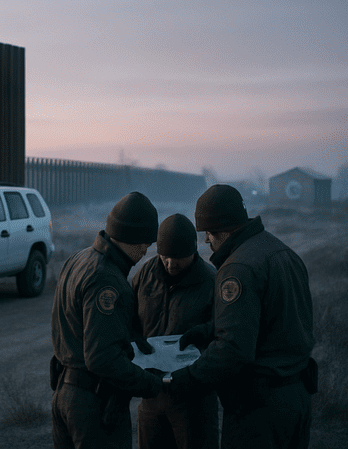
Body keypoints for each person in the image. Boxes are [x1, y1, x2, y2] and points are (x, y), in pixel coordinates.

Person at [168, 184, 315, 449]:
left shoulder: (237, 267)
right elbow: (274, 320)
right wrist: (210, 330)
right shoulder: (283, 252)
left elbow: (233, 350)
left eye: (209, 233)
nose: (206, 242)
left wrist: (186, 378)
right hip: (298, 398)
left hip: (259, 410)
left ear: (222, 229)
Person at [50, 191, 163, 449]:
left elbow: (74, 326)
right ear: (131, 237)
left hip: (63, 396)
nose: (147, 249)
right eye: (145, 241)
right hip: (94, 406)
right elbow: (102, 358)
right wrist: (152, 384)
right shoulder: (107, 279)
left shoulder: (77, 260)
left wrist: (130, 337)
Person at [130, 213, 219, 449]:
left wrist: (208, 330)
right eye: (165, 256)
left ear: (193, 251)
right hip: (151, 396)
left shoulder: (212, 282)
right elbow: (127, 318)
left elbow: (227, 333)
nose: (170, 264)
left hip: (194, 399)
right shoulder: (144, 275)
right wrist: (133, 337)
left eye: (178, 258)